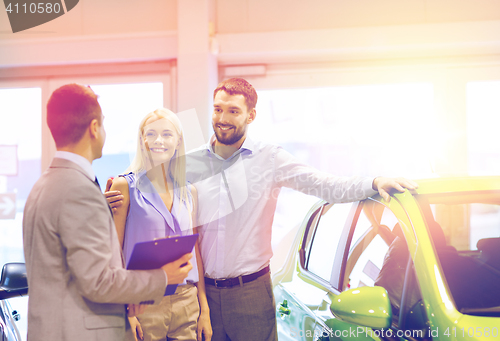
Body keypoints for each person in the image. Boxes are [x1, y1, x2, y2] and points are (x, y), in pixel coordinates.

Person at [107, 78, 418, 341]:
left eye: (233, 111)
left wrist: (374, 181)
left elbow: (325, 185)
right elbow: (148, 181)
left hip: (251, 295)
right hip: (201, 297)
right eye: (217, 109)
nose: (223, 118)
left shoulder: (270, 159)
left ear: (251, 115)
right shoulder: (189, 164)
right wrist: (108, 198)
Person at [23, 84, 193, 341]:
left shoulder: (47, 184)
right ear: (94, 128)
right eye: (103, 124)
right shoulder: (79, 191)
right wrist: (162, 278)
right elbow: (98, 282)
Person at [107, 108, 212, 341]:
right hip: (142, 303)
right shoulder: (124, 187)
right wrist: (126, 311)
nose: (158, 140)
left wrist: (204, 309)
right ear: (142, 140)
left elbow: (195, 252)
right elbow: (114, 254)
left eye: (166, 134)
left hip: (186, 301)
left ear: (178, 141)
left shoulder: (189, 191)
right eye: (151, 134)